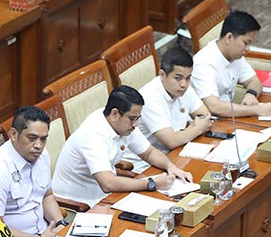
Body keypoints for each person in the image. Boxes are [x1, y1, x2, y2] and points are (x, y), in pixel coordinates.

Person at [51, 85, 193, 208]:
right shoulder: (93, 135)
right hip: (79, 204)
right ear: (114, 114)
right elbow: (108, 184)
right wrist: (150, 183)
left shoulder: (122, 123)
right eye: (132, 119)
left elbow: (149, 153)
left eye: (138, 119)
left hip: (105, 197)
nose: (135, 125)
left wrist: (172, 167)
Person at [0, 106, 68, 237]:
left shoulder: (42, 155)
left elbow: (47, 195)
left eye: (43, 139)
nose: (39, 146)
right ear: (14, 134)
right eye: (32, 138)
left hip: (47, 234)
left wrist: (59, 223)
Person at [190, 10, 271, 118]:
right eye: (245, 43)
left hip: (229, 117)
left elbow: (254, 81)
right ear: (229, 38)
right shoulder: (203, 63)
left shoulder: (235, 55)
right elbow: (214, 107)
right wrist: (257, 110)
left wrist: (251, 94)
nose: (248, 49)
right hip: (209, 122)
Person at [137, 47, 212, 155]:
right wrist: (197, 129)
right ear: (162, 75)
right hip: (147, 164)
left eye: (188, 78)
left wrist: (186, 133)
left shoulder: (184, 88)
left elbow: (205, 116)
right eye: (178, 78)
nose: (184, 84)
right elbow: (171, 142)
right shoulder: (149, 97)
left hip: (177, 152)